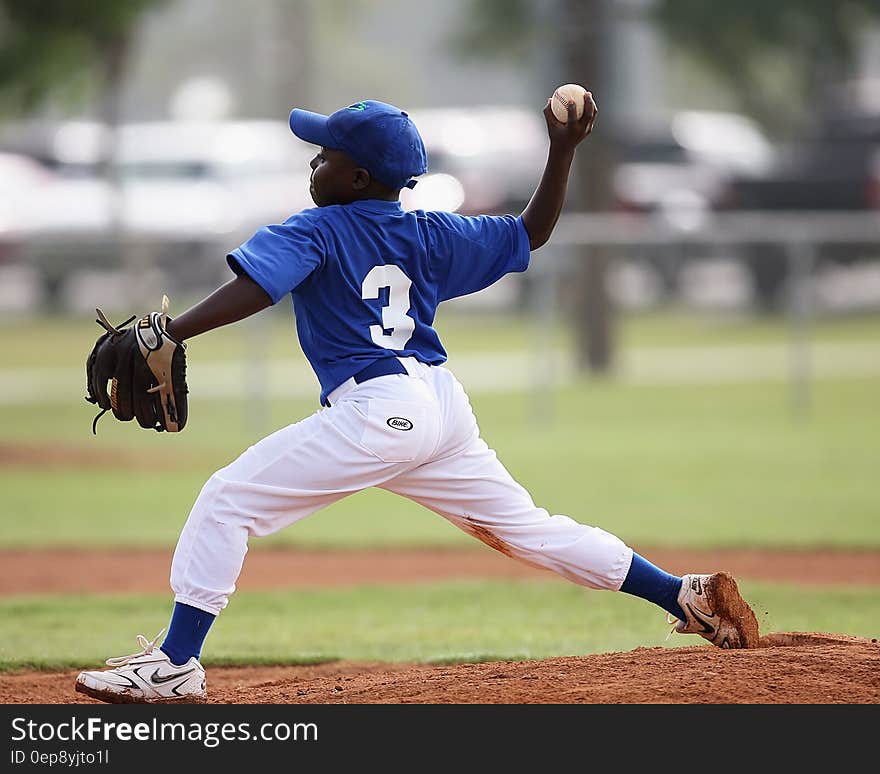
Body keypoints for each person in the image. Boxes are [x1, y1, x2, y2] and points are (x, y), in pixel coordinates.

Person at [75, 93, 758, 704]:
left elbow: (260, 287)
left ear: (358, 178)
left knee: (228, 499)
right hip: (439, 407)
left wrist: (172, 329)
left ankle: (174, 664)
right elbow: (532, 231)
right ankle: (684, 595)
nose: (314, 164)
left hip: (378, 411)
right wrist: (561, 149)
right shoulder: (431, 230)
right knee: (528, 528)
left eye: (326, 156)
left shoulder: (318, 229)